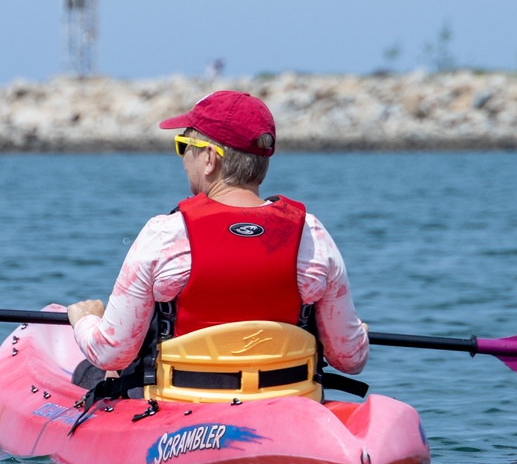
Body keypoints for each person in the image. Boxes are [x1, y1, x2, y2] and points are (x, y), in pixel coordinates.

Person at [66, 90, 369, 392]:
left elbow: (112, 352)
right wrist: (358, 336)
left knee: (92, 372)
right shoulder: (312, 235)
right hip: (287, 399)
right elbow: (350, 359)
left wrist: (85, 321)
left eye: (184, 145)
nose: (183, 157)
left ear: (210, 158)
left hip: (182, 406)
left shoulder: (165, 234)